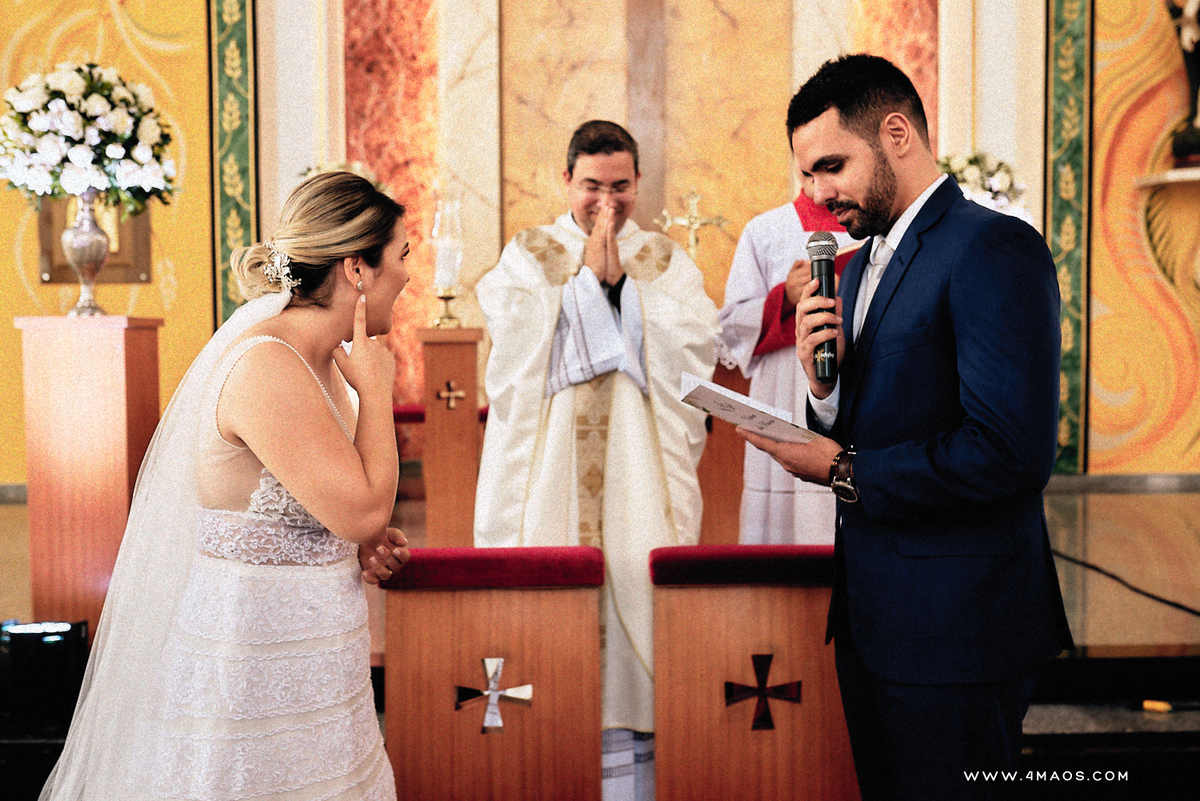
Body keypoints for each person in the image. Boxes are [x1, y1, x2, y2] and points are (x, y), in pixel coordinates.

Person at [738, 55, 1073, 800]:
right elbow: (859, 419)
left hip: (960, 627)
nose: (818, 196)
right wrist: (822, 390)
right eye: (805, 178)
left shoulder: (990, 246)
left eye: (831, 167)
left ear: (896, 133)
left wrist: (840, 468)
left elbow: (1011, 452)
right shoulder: (853, 269)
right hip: (871, 622)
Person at [40, 171, 412, 801]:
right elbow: (363, 507)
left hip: (316, 654)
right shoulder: (269, 364)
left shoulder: (325, 362)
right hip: (252, 664)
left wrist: (357, 544)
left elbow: (341, 509)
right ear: (357, 268)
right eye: (402, 256)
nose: (408, 275)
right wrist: (378, 394)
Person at [473, 120, 718, 798]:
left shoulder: (664, 261)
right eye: (591, 187)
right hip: (549, 479)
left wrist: (619, 294)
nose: (605, 204)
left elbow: (698, 343)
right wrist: (586, 284)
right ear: (566, 180)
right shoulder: (529, 255)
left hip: (641, 481)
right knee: (553, 625)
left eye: (619, 187)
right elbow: (512, 342)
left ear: (638, 183)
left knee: (638, 601)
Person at [716, 192, 859, 545]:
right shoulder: (764, 230)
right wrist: (785, 298)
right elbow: (732, 328)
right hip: (784, 394)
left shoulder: (876, 232)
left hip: (854, 393)